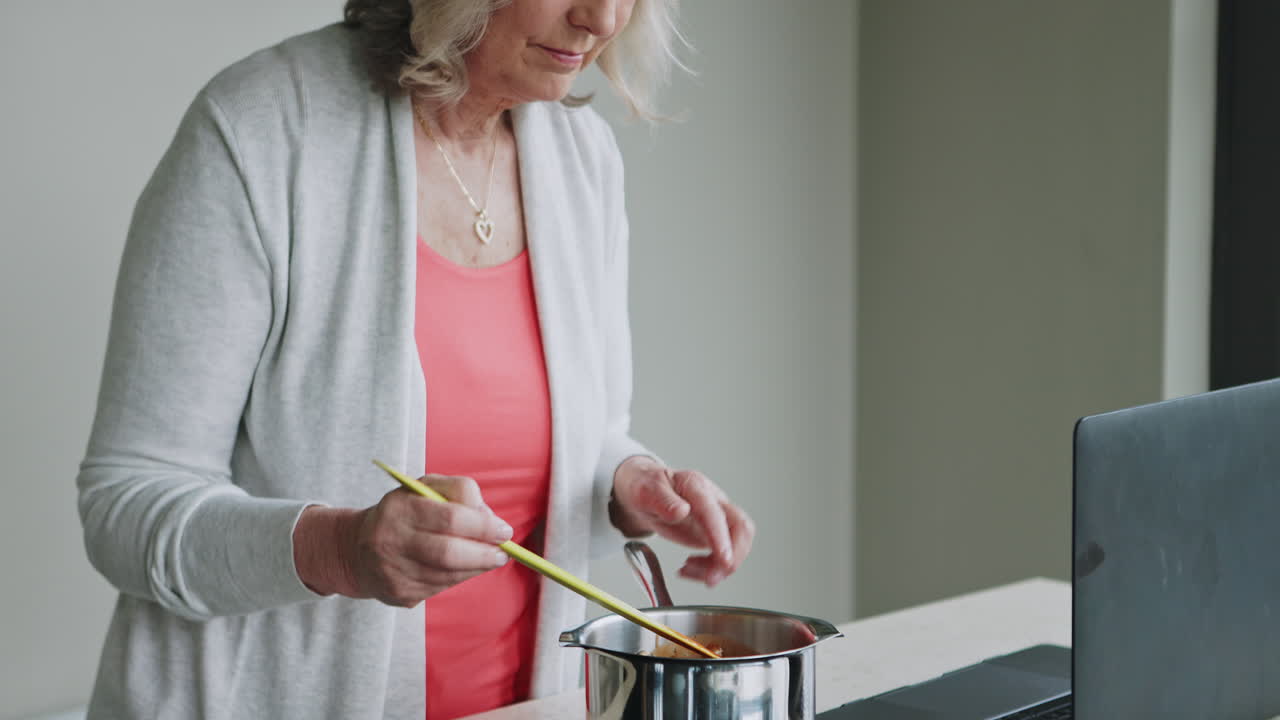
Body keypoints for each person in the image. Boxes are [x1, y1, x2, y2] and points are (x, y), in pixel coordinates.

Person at [75, 0, 755, 718]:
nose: (604, 19)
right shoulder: (262, 126)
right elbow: (127, 503)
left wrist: (628, 483)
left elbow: (576, 440)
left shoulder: (581, 156)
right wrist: (339, 550)